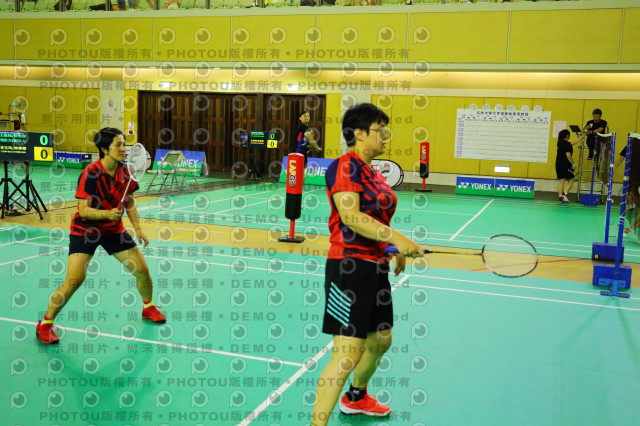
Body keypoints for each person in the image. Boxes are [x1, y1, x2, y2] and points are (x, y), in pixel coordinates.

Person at [311, 103, 423, 426]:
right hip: (348, 268)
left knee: (380, 340)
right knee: (347, 354)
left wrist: (389, 246)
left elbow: (373, 219)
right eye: (379, 130)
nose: (385, 136)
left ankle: (356, 397)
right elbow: (350, 216)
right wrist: (397, 237)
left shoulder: (373, 172)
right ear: (358, 133)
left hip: (376, 267)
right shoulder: (345, 167)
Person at [35, 128, 165, 345]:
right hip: (86, 230)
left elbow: (129, 200)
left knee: (142, 271)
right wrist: (107, 213)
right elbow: (84, 210)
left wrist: (138, 228)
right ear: (104, 149)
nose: (124, 149)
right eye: (118, 145)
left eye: (124, 144)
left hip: (113, 230)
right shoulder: (91, 173)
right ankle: (45, 324)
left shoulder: (126, 172)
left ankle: (148, 307)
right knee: (74, 280)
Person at [555, 129, 575, 204]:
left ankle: (560, 197)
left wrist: (581, 137)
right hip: (565, 165)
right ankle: (564, 195)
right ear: (567, 136)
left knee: (561, 180)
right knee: (571, 180)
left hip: (558, 164)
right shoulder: (567, 145)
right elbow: (568, 156)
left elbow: (572, 143)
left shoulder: (560, 143)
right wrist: (573, 163)